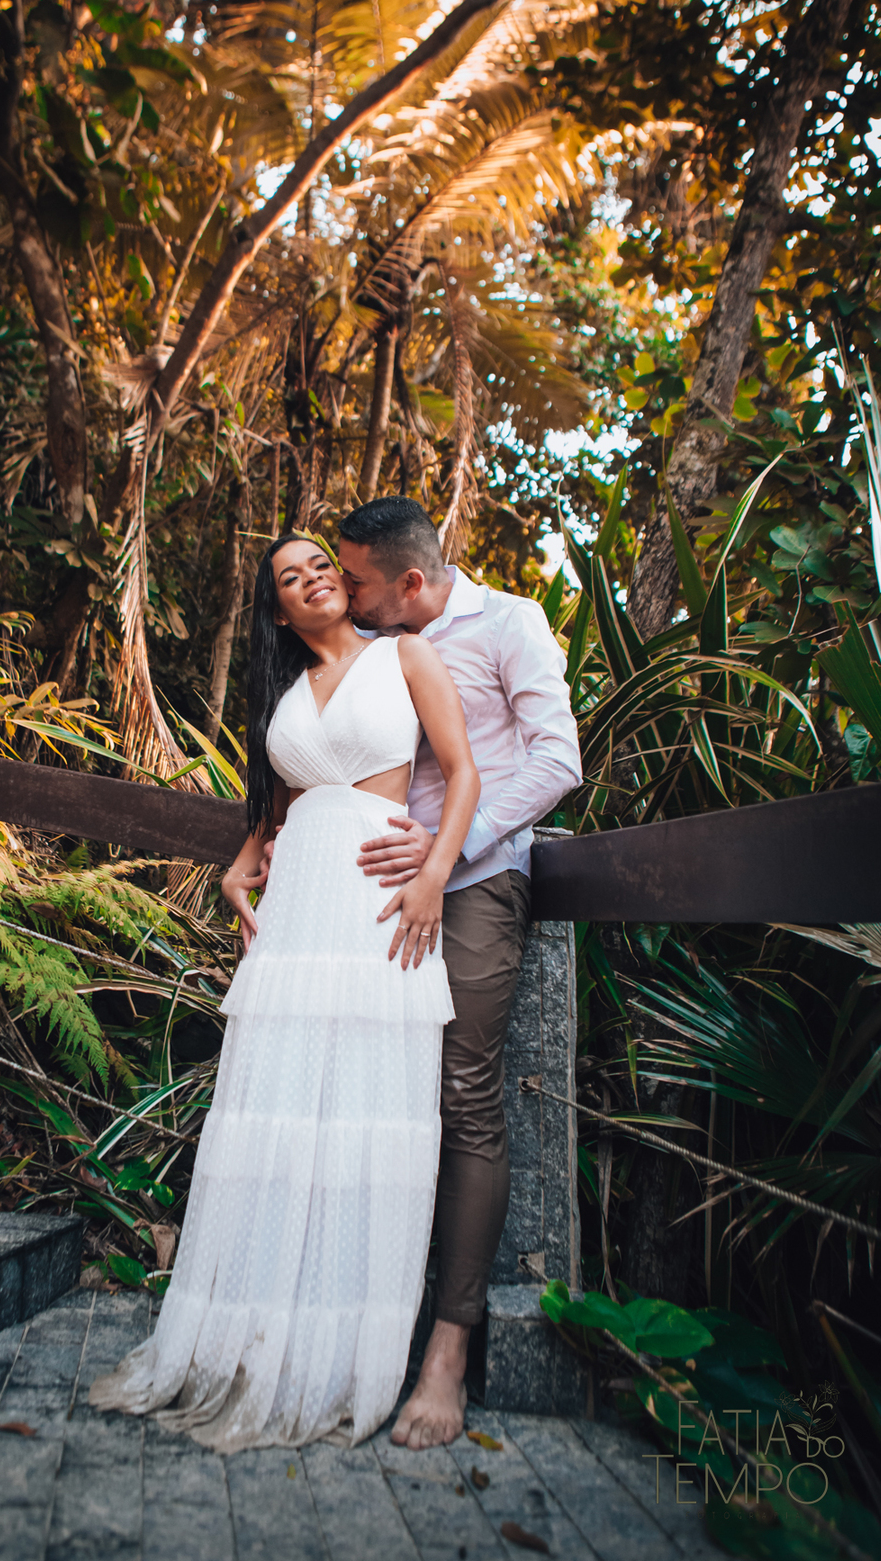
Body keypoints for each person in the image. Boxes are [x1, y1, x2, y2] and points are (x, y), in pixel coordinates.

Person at [89, 533, 480, 1452]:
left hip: (383, 897)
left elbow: (462, 773)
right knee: (276, 1106)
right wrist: (240, 861)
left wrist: (433, 876)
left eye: (320, 567)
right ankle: (248, 1337)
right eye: (289, 579)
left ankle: (345, 1357)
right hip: (299, 906)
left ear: (345, 584)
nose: (310, 581)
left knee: (364, 1116)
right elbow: (283, 804)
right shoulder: (284, 694)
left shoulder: (407, 655)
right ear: (279, 610)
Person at [335, 498, 582, 1451]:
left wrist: (449, 849)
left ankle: (447, 1350)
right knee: (364, 1085)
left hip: (477, 881)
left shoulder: (511, 624)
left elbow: (558, 759)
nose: (348, 597)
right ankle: (363, 1319)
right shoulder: (369, 643)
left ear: (409, 581)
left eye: (357, 581)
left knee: (464, 1091)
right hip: (374, 879)